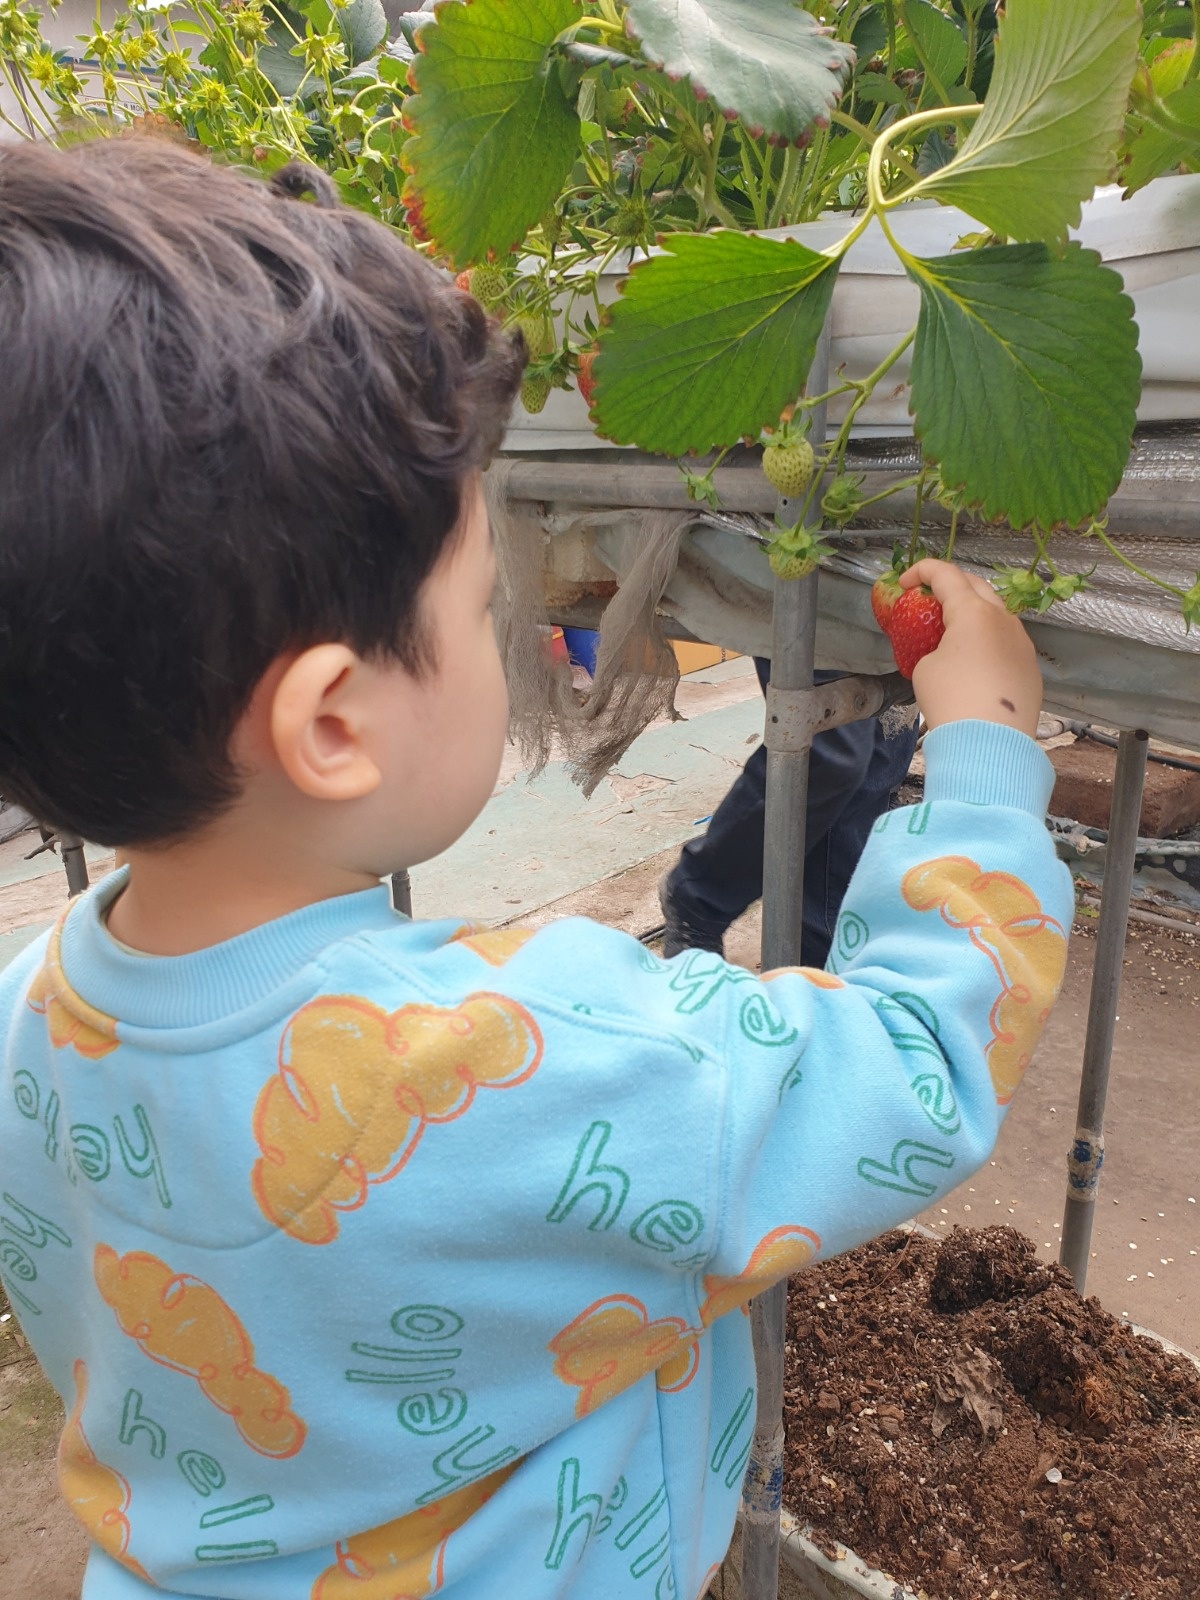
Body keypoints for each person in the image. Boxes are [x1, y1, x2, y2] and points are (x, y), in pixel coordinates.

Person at [0, 136, 1069, 1600]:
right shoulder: (532, 1055)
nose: (505, 613)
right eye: (480, 587)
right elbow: (911, 1064)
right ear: (334, 721)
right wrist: (991, 754)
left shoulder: (24, 1016)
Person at [659, 660, 918, 964]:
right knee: (831, 750)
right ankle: (700, 897)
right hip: (820, 616)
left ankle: (821, 948)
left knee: (883, 752)